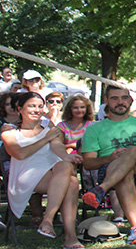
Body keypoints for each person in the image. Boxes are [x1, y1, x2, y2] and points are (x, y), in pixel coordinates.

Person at [81, 86, 136, 245]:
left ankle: (101, 189)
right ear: (106, 101)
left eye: (124, 98)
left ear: (131, 100)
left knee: (132, 151)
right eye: (114, 98)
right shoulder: (94, 129)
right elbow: (88, 163)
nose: (120, 102)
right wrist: (109, 158)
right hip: (111, 168)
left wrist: (133, 154)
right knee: (125, 173)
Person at [1, 92, 83, 248]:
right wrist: (45, 137)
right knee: (71, 182)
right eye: (32, 106)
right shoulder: (9, 132)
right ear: (20, 109)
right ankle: (69, 237)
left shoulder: (50, 127)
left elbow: (57, 147)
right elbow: (20, 153)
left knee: (70, 176)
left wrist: (68, 157)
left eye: (40, 106)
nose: (37, 110)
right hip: (26, 175)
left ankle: (48, 220)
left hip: (54, 172)